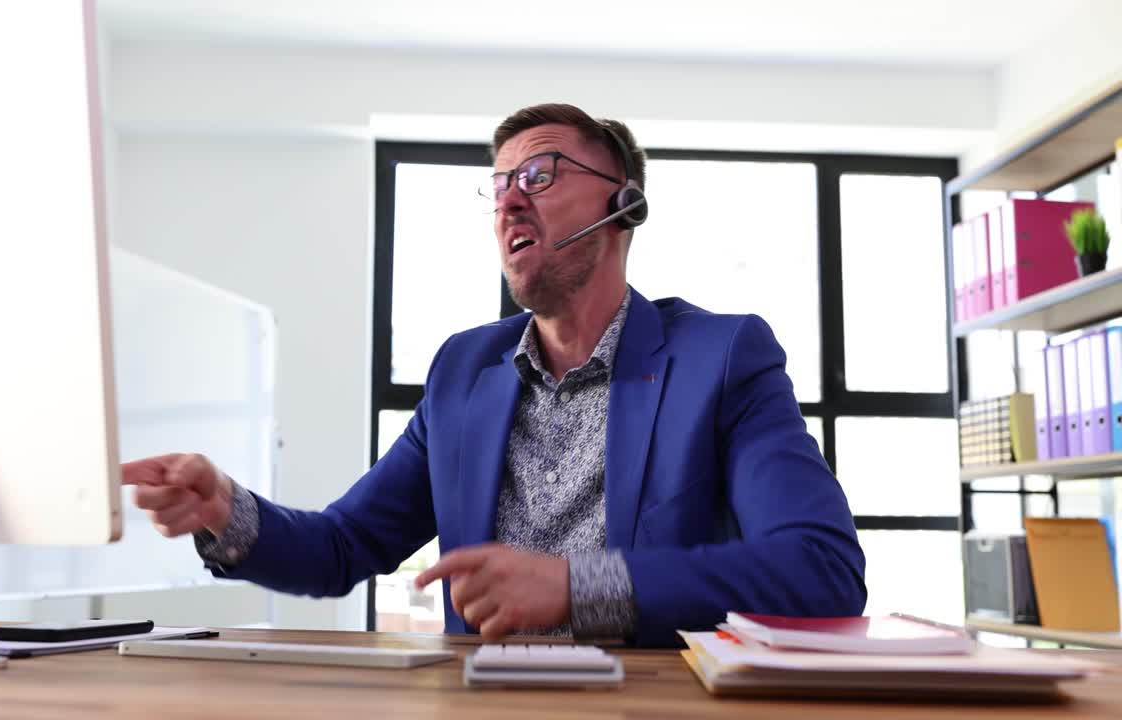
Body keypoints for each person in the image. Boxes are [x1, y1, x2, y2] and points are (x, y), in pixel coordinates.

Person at [123, 103, 866, 648]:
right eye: (500, 182)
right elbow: (345, 546)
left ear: (623, 204)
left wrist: (576, 586)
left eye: (539, 174)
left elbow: (820, 567)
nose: (509, 196)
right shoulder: (462, 371)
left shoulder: (723, 356)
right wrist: (226, 510)